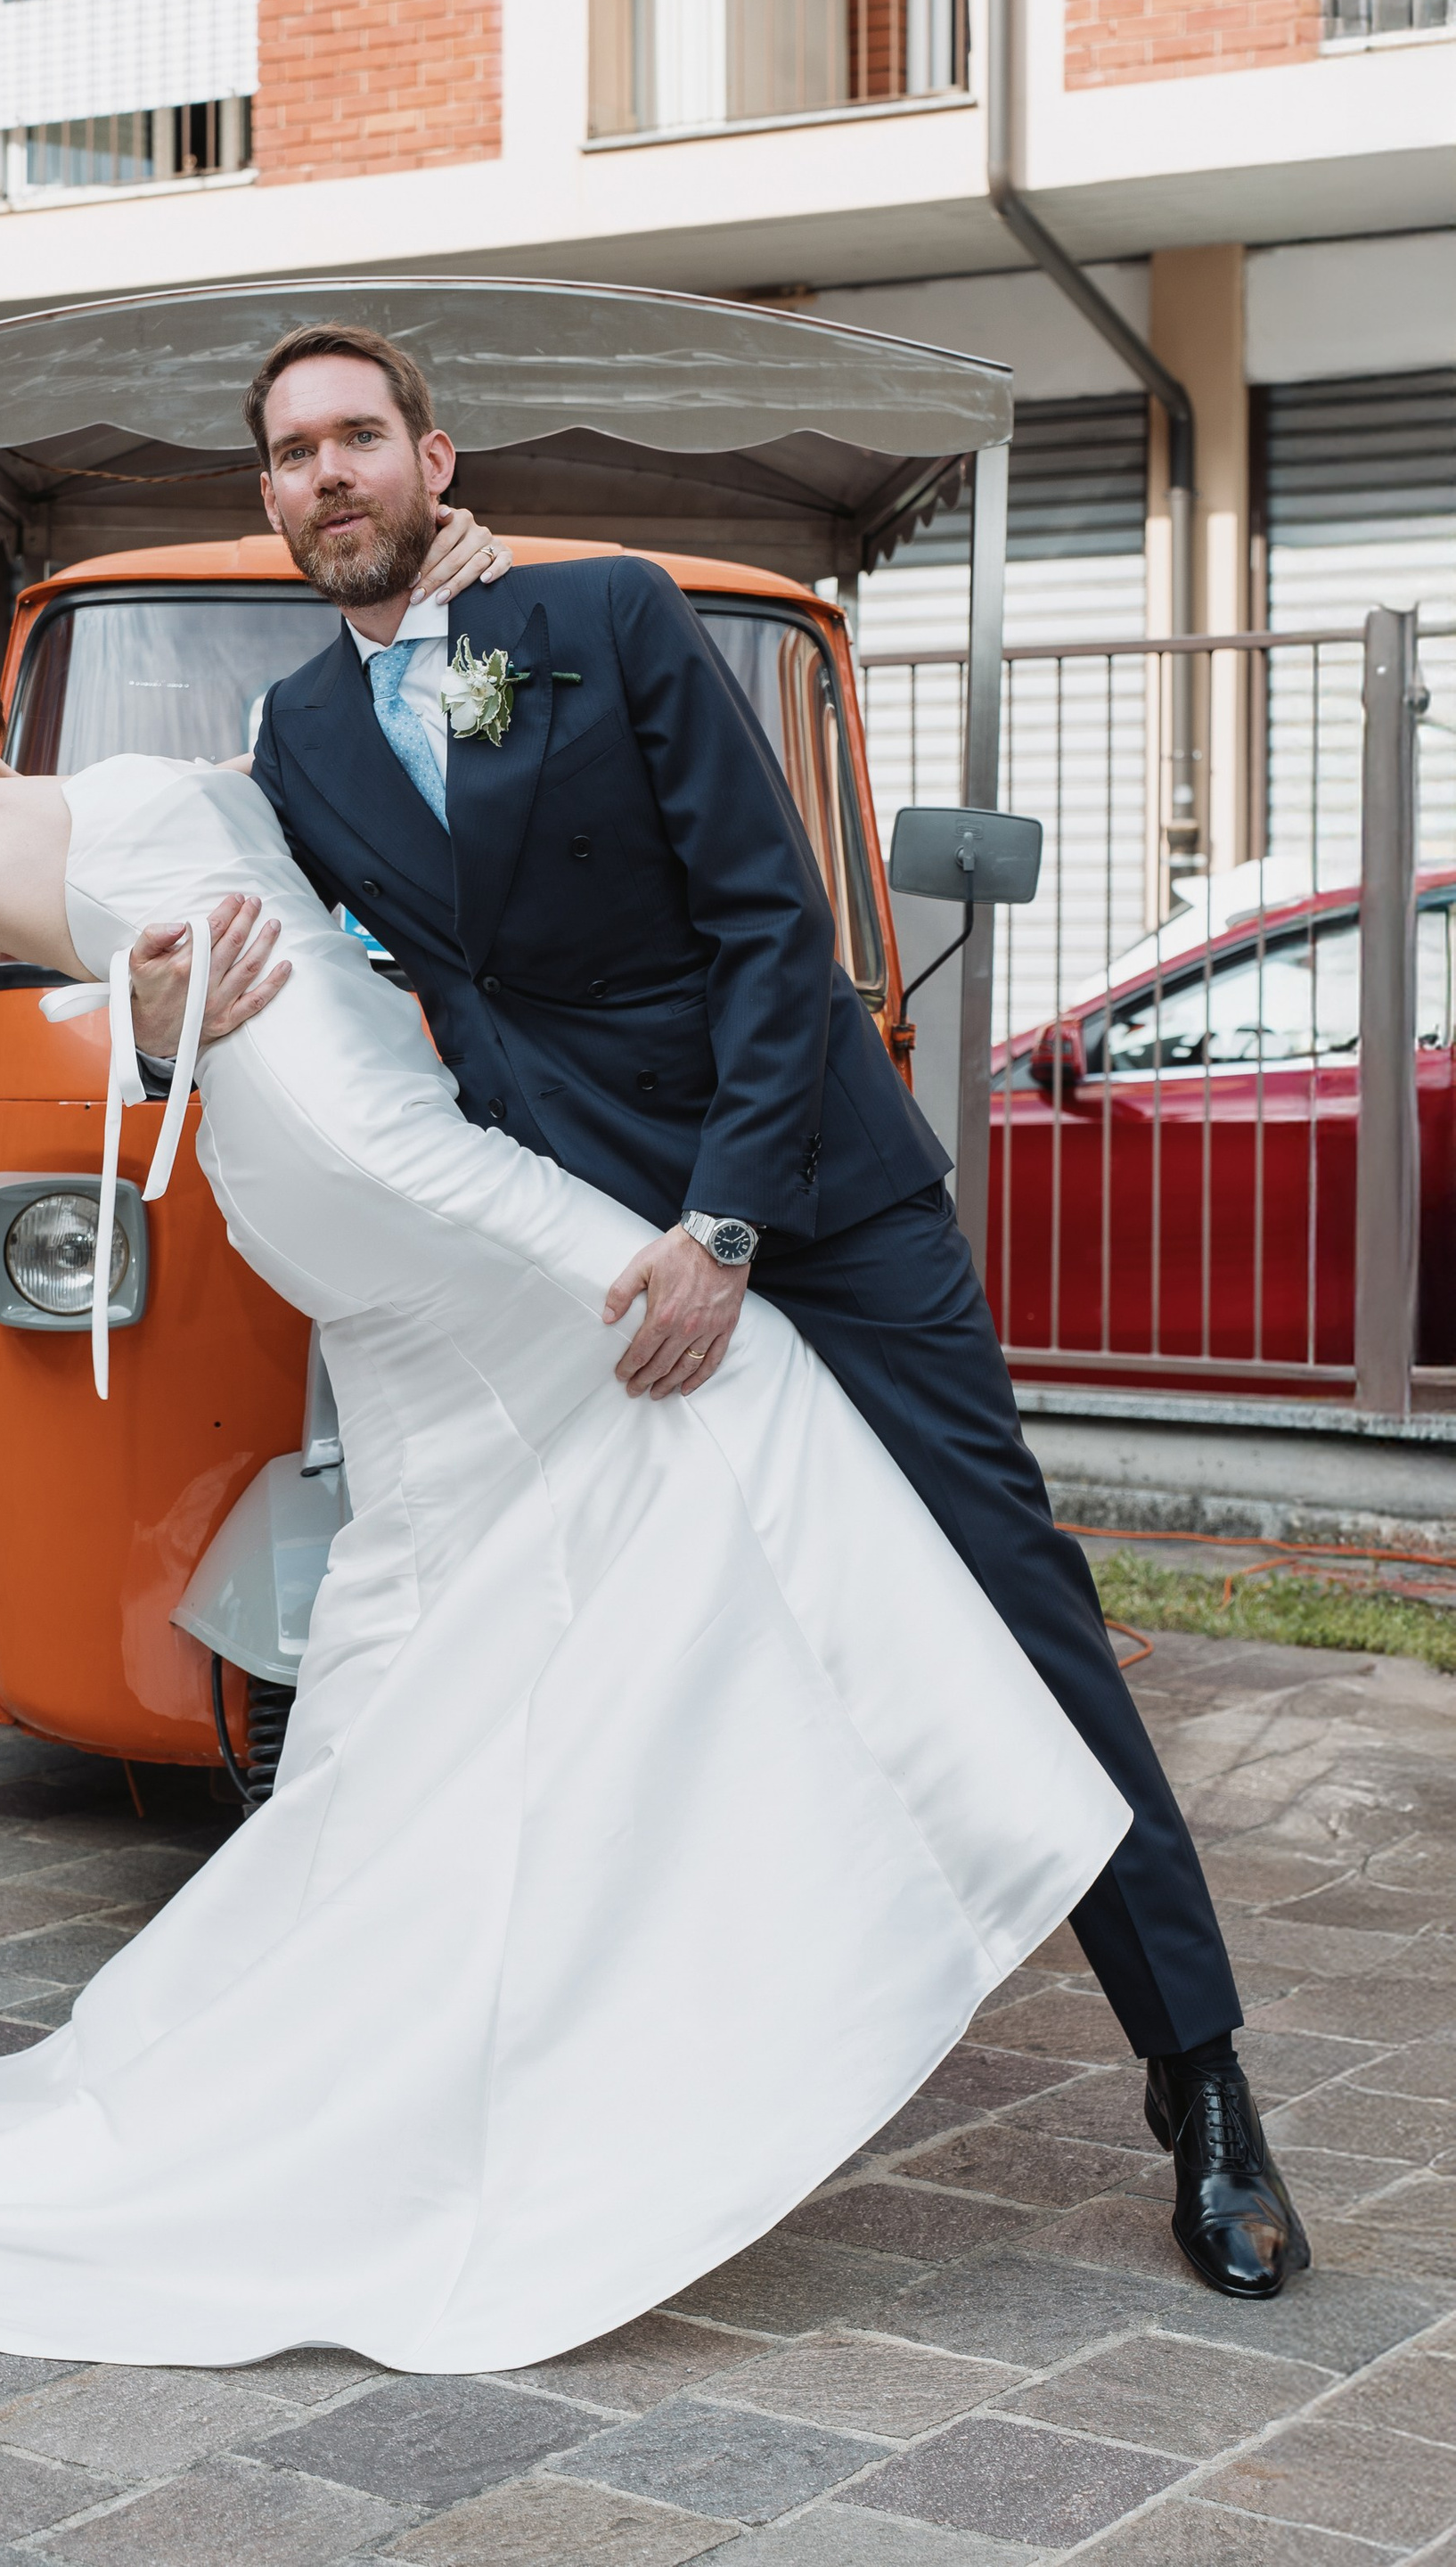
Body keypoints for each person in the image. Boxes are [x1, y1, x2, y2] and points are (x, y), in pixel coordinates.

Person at [0, 290, 1133, 2376]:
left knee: (445, 1609)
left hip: (400, 1138)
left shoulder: (153, 764)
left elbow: (402, 806)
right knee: (735, 1398)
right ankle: (929, 1853)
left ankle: (489, 1978)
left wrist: (462, 611)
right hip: (390, 1173)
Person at [225, 321, 1306, 2303]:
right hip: (588, 1245)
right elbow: (323, 969)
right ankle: (633, 2100)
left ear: (433, 458)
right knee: (629, 1657)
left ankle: (1202, 2073)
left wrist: (725, 1224)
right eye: (292, 453)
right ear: (271, 497)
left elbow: (767, 920)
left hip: (807, 1195)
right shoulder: (294, 737)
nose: (328, 474)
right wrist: (172, 1013)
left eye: (357, 435)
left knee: (1011, 1601)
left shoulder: (601, 617)